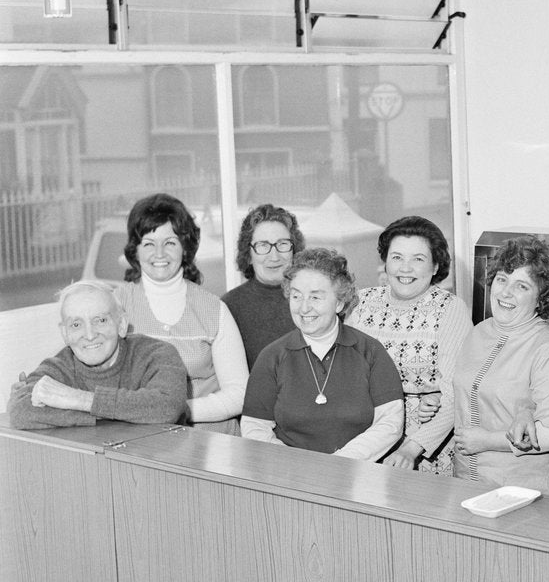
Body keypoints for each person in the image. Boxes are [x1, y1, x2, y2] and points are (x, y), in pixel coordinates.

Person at [241, 247, 404, 458]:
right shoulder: (271, 357)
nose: (304, 308)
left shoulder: (370, 351)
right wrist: (294, 465)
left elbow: (390, 423)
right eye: (297, 296)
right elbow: (255, 427)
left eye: (316, 298)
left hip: (359, 473)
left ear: (340, 302)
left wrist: (341, 464)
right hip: (291, 475)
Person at [347, 216, 472, 474]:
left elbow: (454, 394)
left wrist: (410, 448)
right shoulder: (361, 302)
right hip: (365, 438)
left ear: (436, 266)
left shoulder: (450, 309)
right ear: (385, 261)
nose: (405, 268)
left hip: (423, 447)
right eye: (397, 257)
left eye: (418, 259)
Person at [115, 192, 248, 434]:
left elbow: (239, 393)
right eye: (148, 243)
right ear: (135, 250)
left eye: (170, 243)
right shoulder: (117, 305)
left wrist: (175, 409)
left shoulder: (214, 309)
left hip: (212, 441)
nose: (159, 254)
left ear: (185, 248)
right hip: (140, 439)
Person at [452, 235, 549, 496]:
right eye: (502, 279)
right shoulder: (478, 332)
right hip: (467, 481)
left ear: (541, 297)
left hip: (525, 490)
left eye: (522, 286)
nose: (506, 292)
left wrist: (486, 441)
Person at [8, 280, 187, 430]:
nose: (90, 335)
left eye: (100, 320)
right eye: (76, 325)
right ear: (65, 333)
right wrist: (125, 412)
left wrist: (75, 399)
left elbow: (167, 406)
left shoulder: (158, 353)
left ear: (122, 324)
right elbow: (20, 411)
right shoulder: (58, 366)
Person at [222, 203, 307, 369]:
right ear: (248, 254)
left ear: (294, 249)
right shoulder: (230, 307)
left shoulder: (311, 298)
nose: (274, 256)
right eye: (263, 245)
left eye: (282, 244)